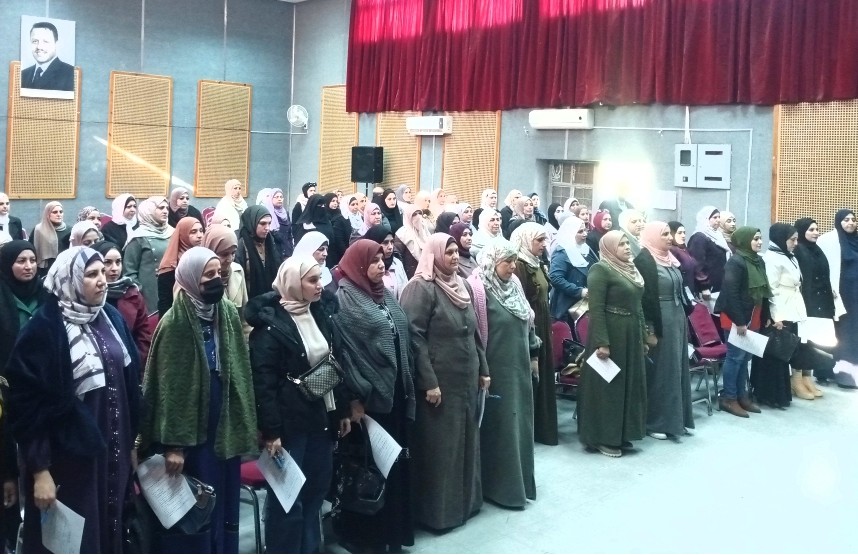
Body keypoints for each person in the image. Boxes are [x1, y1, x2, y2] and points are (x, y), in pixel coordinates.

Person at [6, 246, 139, 552]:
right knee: (74, 540)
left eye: (103, 272)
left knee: (112, 527)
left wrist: (133, 442)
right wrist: (40, 470)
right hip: (68, 462)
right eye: (91, 274)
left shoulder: (110, 318)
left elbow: (129, 384)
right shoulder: (45, 329)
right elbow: (26, 408)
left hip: (112, 450)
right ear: (70, 280)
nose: (102, 280)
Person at [140, 247, 257, 553]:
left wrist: (244, 422)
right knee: (200, 501)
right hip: (193, 431)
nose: (217, 279)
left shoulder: (226, 312)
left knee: (226, 498)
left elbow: (241, 371)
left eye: (219, 273)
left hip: (224, 421)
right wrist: (174, 445)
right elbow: (168, 390)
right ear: (191, 279)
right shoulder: (174, 323)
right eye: (208, 275)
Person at [247, 255, 348, 554]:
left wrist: (341, 409)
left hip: (321, 417)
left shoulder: (320, 313)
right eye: (312, 280)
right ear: (293, 283)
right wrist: (271, 431)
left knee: (316, 492)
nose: (320, 286)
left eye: (320, 279)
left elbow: (336, 365)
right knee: (288, 500)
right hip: (290, 426)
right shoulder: (270, 325)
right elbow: (263, 383)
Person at [332, 240, 415, 554]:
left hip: (394, 392)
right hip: (368, 401)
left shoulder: (384, 294)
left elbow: (399, 332)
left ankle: (394, 532)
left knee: (394, 465)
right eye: (375, 260)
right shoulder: (345, 299)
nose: (382, 265)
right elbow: (344, 354)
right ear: (358, 264)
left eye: (383, 259)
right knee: (368, 469)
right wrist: (354, 396)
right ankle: (367, 537)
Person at [399, 233, 487, 531]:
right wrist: (429, 382)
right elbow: (414, 338)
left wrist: (483, 369)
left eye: (455, 251)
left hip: (466, 378)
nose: (454, 256)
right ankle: (439, 514)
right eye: (447, 252)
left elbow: (474, 332)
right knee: (442, 448)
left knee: (467, 440)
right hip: (440, 382)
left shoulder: (461, 284)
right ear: (434, 254)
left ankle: (466, 504)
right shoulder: (421, 288)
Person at [466, 239, 538, 507]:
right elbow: (473, 335)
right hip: (495, 370)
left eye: (514, 260)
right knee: (501, 429)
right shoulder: (478, 288)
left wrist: (534, 354)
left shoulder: (514, 284)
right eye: (506, 261)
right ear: (492, 262)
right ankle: (501, 489)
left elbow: (529, 323)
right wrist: (481, 370)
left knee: (520, 426)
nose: (512, 266)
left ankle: (520, 484)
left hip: (519, 368)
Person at [577, 231, 647, 457]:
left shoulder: (631, 269)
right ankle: (602, 438)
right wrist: (602, 342)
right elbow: (595, 309)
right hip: (611, 334)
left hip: (630, 333)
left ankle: (622, 434)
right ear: (609, 248)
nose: (627, 247)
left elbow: (638, 305)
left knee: (628, 384)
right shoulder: (600, 269)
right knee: (609, 388)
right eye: (621, 244)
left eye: (627, 243)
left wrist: (643, 335)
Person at [635, 222, 694, 439]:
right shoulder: (644, 260)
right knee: (662, 371)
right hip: (661, 319)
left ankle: (677, 420)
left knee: (677, 368)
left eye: (670, 234)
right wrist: (649, 329)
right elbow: (644, 299)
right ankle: (656, 422)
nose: (670, 237)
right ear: (652, 236)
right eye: (665, 234)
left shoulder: (669, 258)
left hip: (677, 317)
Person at [714, 227, 770, 417]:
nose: (759, 242)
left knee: (745, 358)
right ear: (745, 241)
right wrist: (739, 321)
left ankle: (741, 395)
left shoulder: (758, 260)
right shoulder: (736, 262)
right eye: (755, 239)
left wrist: (765, 316)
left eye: (760, 238)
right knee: (735, 357)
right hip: (735, 316)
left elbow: (764, 291)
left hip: (754, 314)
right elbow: (731, 294)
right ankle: (729, 398)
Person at [510, 223, 556, 446]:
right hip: (531, 325)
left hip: (543, 322)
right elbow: (521, 302)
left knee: (543, 371)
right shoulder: (520, 265)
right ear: (526, 240)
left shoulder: (536, 263)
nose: (544, 244)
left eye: (545, 240)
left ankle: (542, 427)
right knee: (532, 372)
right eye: (539, 240)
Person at [751, 223, 806, 407]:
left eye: (796, 239)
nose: (795, 243)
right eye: (792, 240)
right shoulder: (772, 258)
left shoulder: (788, 255)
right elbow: (771, 290)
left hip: (791, 308)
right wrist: (776, 317)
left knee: (785, 352)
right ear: (781, 239)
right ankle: (770, 395)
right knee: (775, 353)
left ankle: (782, 393)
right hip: (780, 310)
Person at [93, 241, 153, 372]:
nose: (114, 268)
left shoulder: (131, 293)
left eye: (118, 262)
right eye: (107, 262)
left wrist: (137, 361)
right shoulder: (90, 294)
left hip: (130, 364)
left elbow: (143, 334)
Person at [817, 209, 858, 388]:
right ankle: (833, 372)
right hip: (839, 295)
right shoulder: (829, 241)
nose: (850, 223)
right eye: (846, 220)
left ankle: (850, 374)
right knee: (838, 333)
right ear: (838, 222)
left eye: (853, 220)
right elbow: (822, 267)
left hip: (855, 296)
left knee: (852, 333)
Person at [793, 217, 836, 386]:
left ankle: (807, 377)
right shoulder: (798, 250)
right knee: (804, 342)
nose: (816, 233)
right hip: (806, 302)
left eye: (817, 229)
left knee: (813, 341)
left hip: (820, 303)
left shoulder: (817, 250)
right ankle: (797, 380)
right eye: (811, 230)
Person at [123, 196, 174, 315]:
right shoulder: (138, 237)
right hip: (149, 293)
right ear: (149, 210)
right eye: (161, 208)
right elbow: (129, 271)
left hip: (171, 289)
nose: (165, 211)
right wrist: (138, 293)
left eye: (167, 208)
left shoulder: (173, 232)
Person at [549, 216, 597, 325]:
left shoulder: (585, 249)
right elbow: (555, 278)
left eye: (585, 230)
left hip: (585, 304)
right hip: (568, 306)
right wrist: (579, 291)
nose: (585, 234)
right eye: (580, 231)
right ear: (570, 233)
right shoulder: (562, 252)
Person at [156, 217, 205, 317]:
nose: (199, 235)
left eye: (201, 231)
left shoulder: (205, 258)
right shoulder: (170, 268)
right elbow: (165, 305)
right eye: (193, 232)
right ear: (182, 235)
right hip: (179, 318)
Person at [202, 224, 249, 321]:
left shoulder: (238, 270)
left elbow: (244, 315)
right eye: (224, 254)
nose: (230, 259)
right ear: (211, 250)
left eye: (233, 253)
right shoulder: (198, 277)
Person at [236, 205, 282, 300]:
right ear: (252, 222)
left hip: (271, 298)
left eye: (269, 223)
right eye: (263, 223)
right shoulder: (241, 245)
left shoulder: (271, 241)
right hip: (249, 299)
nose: (267, 228)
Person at [687, 206, 730, 297]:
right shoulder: (699, 238)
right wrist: (704, 286)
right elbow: (697, 264)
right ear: (706, 219)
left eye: (719, 217)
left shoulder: (717, 235)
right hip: (707, 290)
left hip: (717, 286)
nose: (718, 220)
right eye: (715, 217)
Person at [21, 22, 74, 91]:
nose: (39, 47)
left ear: (56, 44)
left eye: (45, 41)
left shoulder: (71, 74)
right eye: (35, 41)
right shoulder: (23, 74)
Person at [362, 224, 408, 299]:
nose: (390, 247)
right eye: (385, 242)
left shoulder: (397, 263)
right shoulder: (367, 266)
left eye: (392, 242)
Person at [668, 221, 707, 300]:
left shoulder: (684, 249)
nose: (683, 235)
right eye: (679, 233)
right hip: (681, 294)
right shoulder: (672, 250)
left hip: (690, 291)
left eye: (684, 233)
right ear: (671, 234)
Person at [31, 201, 70, 275]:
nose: (59, 214)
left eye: (61, 212)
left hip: (63, 268)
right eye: (55, 212)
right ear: (47, 214)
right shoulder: (39, 230)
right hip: (44, 269)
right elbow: (31, 249)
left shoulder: (69, 230)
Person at [395, 203, 429, 278]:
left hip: (426, 272)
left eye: (420, 213)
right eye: (414, 214)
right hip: (410, 274)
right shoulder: (402, 234)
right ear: (408, 216)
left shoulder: (424, 230)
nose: (418, 216)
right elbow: (398, 256)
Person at [262, 187, 295, 259]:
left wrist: (291, 248)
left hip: (287, 250)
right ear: (271, 199)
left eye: (281, 197)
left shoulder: (285, 213)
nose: (279, 199)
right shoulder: (268, 213)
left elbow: (289, 233)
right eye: (276, 197)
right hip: (274, 251)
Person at [324, 192, 352, 267]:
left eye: (336, 201)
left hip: (340, 249)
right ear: (327, 202)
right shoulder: (324, 215)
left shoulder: (339, 214)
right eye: (333, 201)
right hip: (330, 250)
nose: (335, 203)